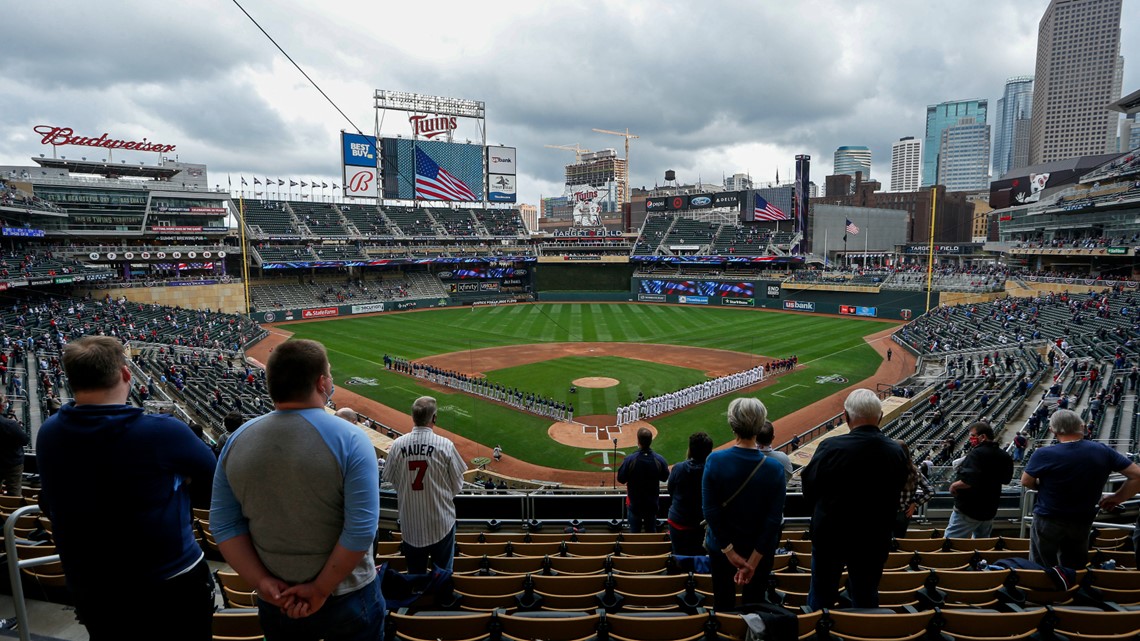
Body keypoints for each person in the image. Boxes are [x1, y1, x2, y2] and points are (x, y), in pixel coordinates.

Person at [38, 336, 217, 640]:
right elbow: (214, 481)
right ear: (125, 374)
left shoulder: (48, 432)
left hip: (92, 586)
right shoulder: (163, 432)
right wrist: (177, 480)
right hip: (170, 581)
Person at [211, 339, 384, 640]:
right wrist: (319, 590)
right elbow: (360, 530)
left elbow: (224, 524)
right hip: (348, 597)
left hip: (275, 599)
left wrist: (261, 582)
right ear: (321, 382)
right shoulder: (352, 439)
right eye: (329, 374)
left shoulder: (237, 441)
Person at [801, 388, 908, 610]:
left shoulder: (830, 447)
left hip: (830, 535)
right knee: (866, 594)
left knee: (821, 594)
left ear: (846, 417)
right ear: (879, 417)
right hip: (874, 536)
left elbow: (809, 488)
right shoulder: (895, 451)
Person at [1022, 409, 1140, 569]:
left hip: (1048, 518)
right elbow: (1137, 475)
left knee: (1041, 566)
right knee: (1075, 566)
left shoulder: (1043, 454)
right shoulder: (1102, 450)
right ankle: (1073, 592)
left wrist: (1039, 487)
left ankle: (1045, 594)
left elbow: (1026, 481)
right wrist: (1117, 498)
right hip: (1082, 519)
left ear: (1052, 430)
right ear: (1082, 426)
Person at [702, 398, 786, 611]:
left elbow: (710, 512)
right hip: (758, 549)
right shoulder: (774, 468)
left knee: (723, 601)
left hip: (722, 548)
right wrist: (754, 561)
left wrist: (730, 552)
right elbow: (774, 520)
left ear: (732, 425)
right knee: (755, 605)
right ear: (759, 426)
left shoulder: (714, 460)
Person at [385, 396, 468, 573]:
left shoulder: (397, 445)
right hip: (441, 522)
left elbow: (392, 479)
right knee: (443, 574)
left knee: (415, 575)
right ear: (434, 418)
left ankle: (420, 598)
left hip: (410, 524)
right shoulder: (445, 445)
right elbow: (457, 485)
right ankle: (443, 599)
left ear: (413, 417)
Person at [946, 422, 1014, 539]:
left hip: (969, 509)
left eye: (973, 436)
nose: (970, 439)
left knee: (951, 542)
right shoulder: (1004, 456)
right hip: (990, 509)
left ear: (983, 437)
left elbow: (968, 481)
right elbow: (1006, 480)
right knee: (982, 544)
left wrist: (954, 486)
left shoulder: (976, 454)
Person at [666, 431, 713, 556]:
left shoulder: (678, 468)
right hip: (701, 523)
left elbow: (670, 490)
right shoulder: (712, 470)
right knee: (699, 558)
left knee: (679, 557)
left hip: (678, 521)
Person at [617, 427, 670, 533]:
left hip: (635, 504)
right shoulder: (659, 459)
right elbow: (665, 477)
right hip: (651, 504)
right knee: (651, 531)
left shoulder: (630, 459)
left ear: (638, 441)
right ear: (651, 440)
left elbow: (621, 479)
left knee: (634, 533)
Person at [894, 440, 933, 539]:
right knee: (899, 541)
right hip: (904, 512)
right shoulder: (914, 471)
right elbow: (930, 491)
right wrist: (915, 504)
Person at [0, 392, 28, 496]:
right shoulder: (10, 424)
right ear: (2, 406)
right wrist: (18, 428)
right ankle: (12, 510)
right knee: (14, 493)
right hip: (12, 463)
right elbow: (25, 440)